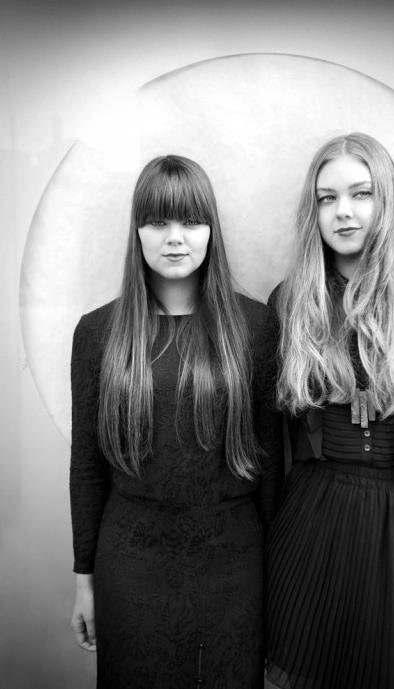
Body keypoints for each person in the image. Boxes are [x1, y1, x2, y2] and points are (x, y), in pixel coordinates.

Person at [69, 155, 282, 688]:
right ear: (136, 231)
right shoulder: (97, 333)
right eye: (157, 221)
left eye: (191, 221)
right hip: (130, 564)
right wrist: (84, 580)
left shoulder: (256, 327)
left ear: (211, 230)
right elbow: (87, 468)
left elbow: (272, 468)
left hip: (234, 567)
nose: (174, 238)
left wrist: (276, 586)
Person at [266, 133, 394, 689]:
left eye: (361, 193)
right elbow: (280, 439)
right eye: (327, 198)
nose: (343, 212)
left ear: (387, 201)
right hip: (310, 518)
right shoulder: (290, 303)